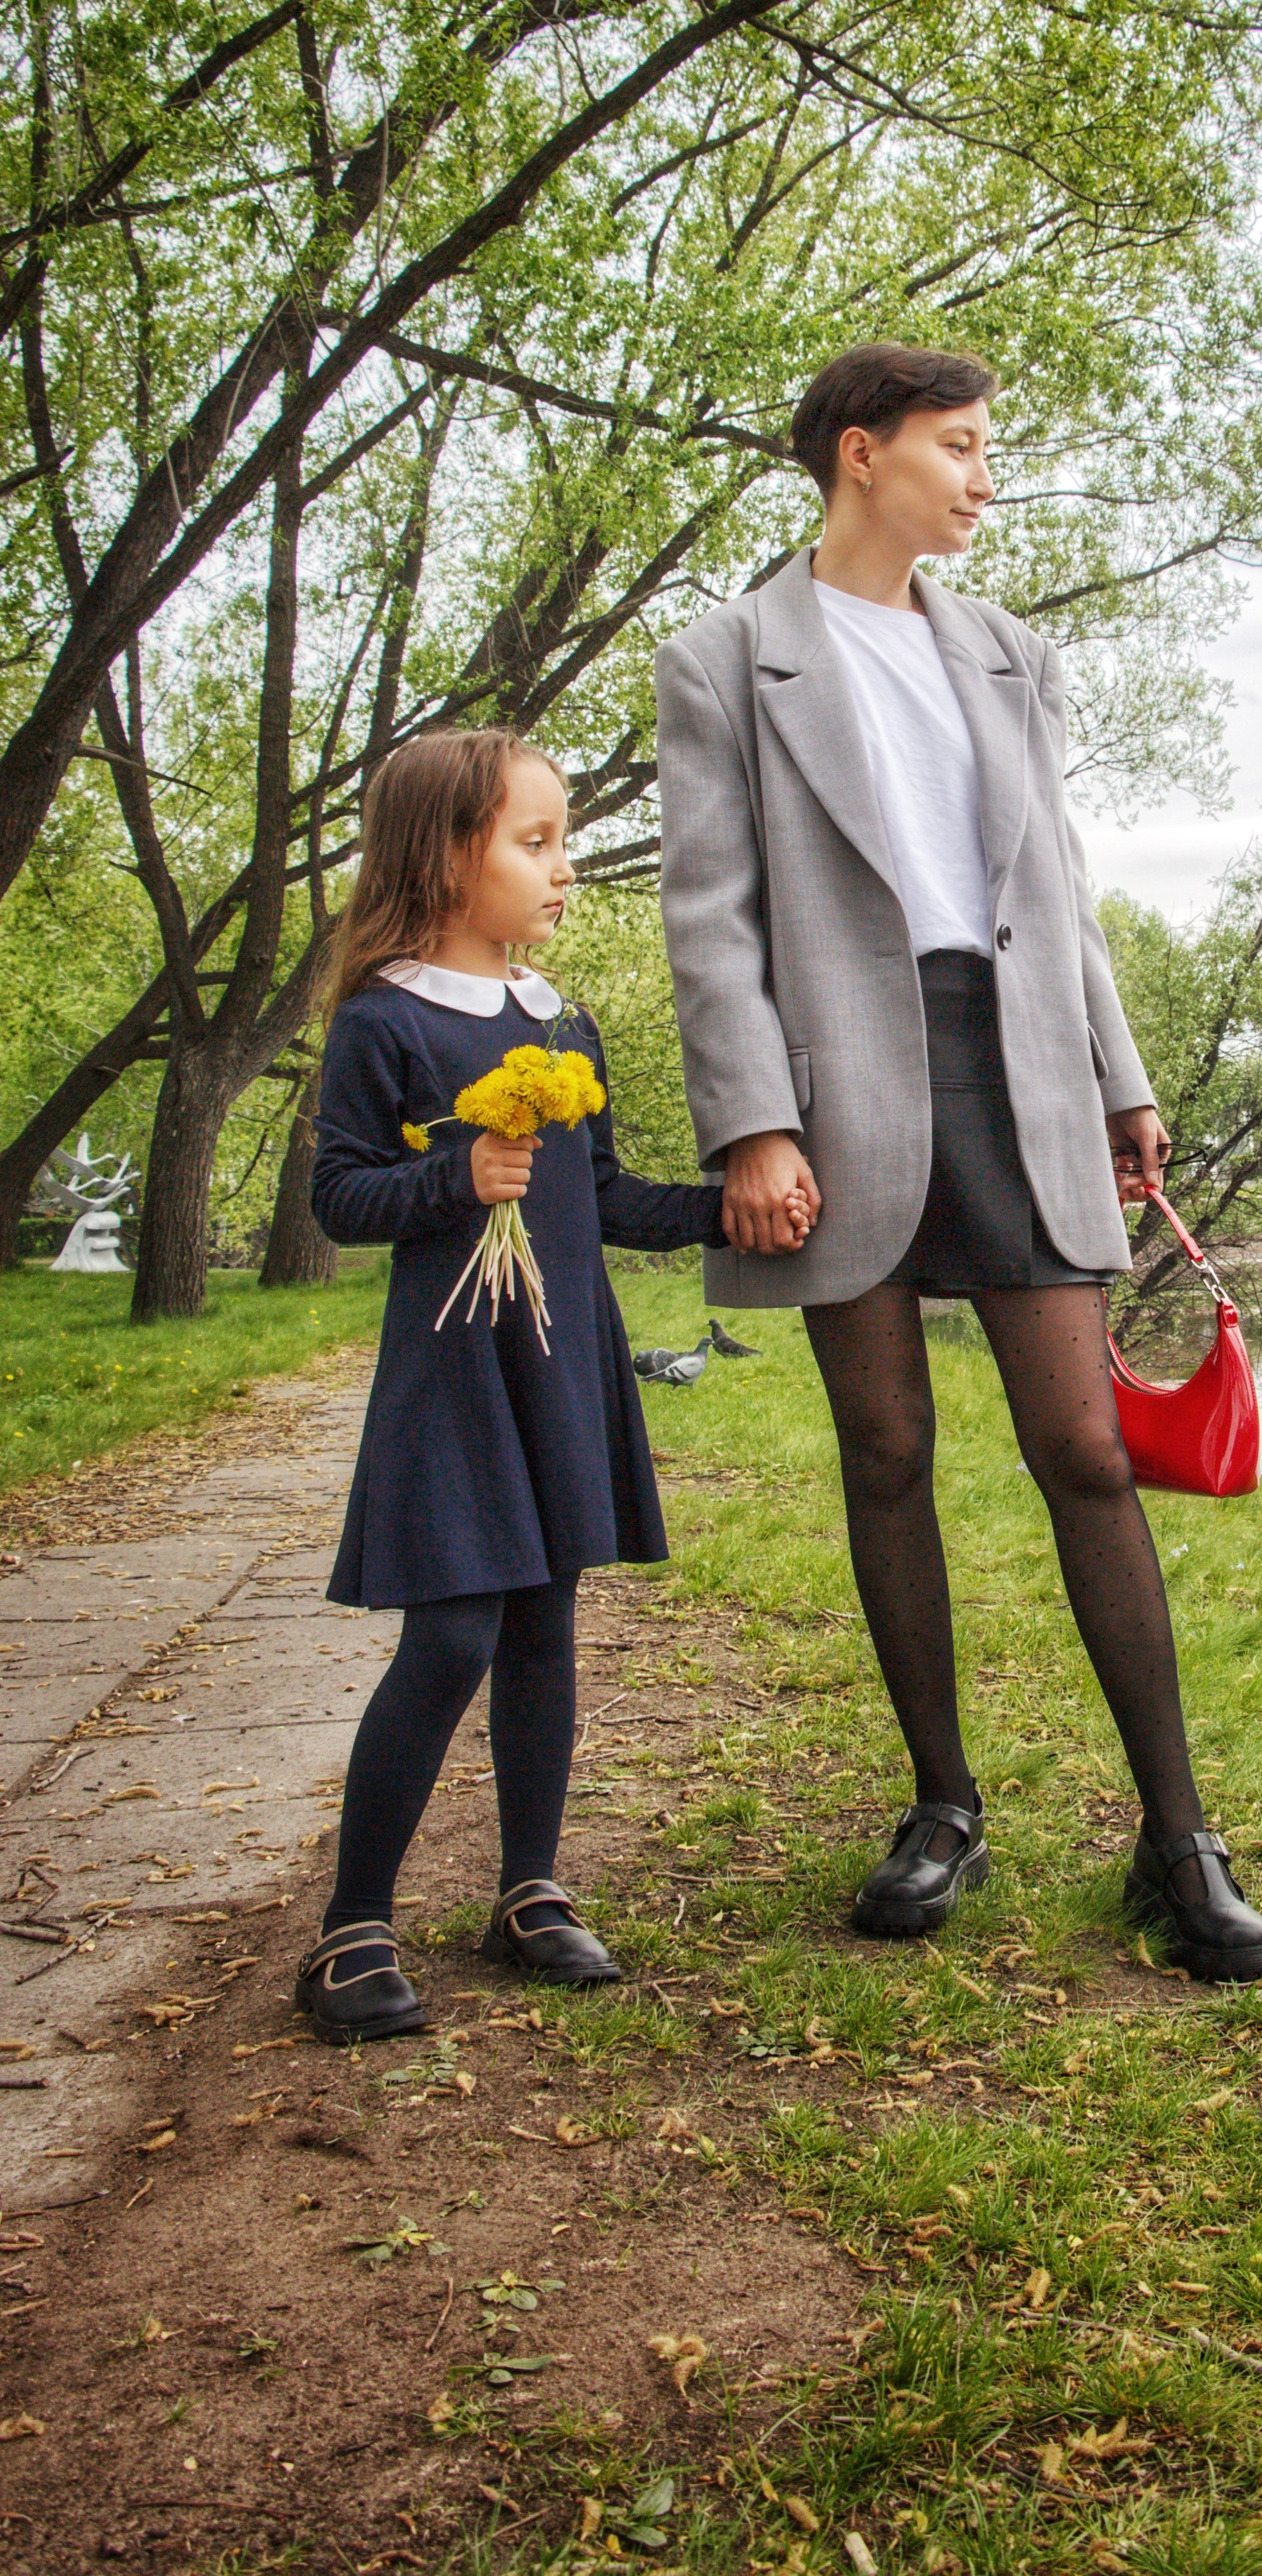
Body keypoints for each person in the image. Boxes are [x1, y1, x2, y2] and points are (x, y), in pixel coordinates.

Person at [655, 344, 1262, 1983]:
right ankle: (942, 1807)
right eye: (961, 446)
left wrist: (1119, 1077)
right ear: (861, 455)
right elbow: (710, 914)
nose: (985, 475)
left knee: (1082, 1446)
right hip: (835, 1079)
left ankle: (1175, 1837)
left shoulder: (1006, 653)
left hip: (1018, 1067)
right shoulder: (725, 659)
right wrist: (749, 1123)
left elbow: (1057, 887)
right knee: (884, 1449)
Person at [297, 729, 783, 2044]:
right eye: (537, 840)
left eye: (562, 838)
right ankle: (351, 1927)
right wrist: (454, 1178)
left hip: (560, 1361)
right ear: (450, 855)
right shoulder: (385, 1018)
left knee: (544, 1629)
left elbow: (606, 1195)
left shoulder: (562, 1020)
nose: (563, 867)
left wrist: (729, 1212)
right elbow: (341, 1195)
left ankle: (529, 1892)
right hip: (456, 1376)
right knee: (452, 1632)